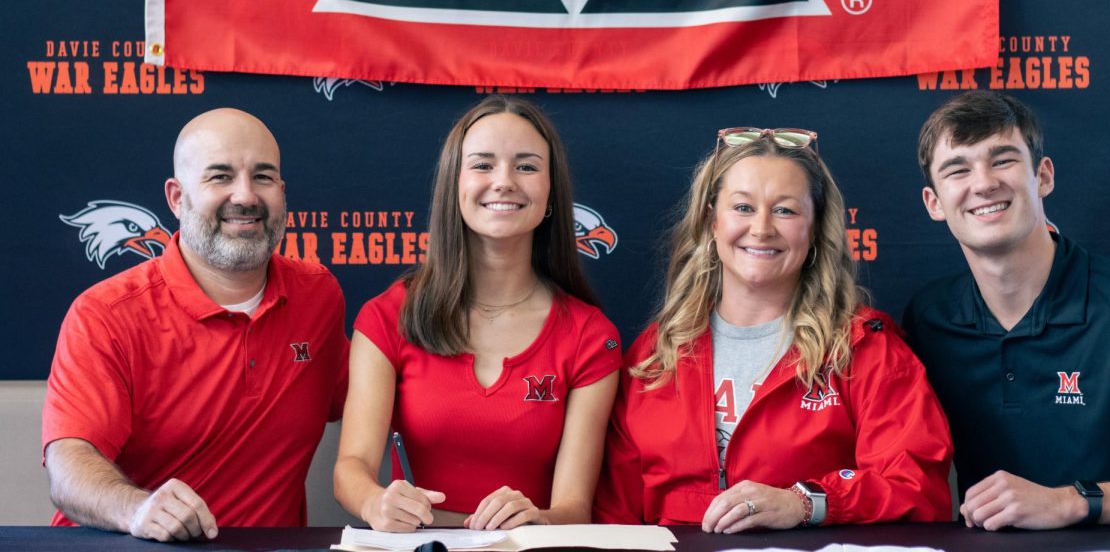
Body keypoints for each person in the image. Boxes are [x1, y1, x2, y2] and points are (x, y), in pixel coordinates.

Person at [595, 127, 952, 531]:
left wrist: (806, 502)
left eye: (785, 210)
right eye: (743, 208)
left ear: (814, 229)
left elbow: (916, 488)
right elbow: (613, 517)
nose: (762, 228)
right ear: (712, 222)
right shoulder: (652, 357)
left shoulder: (863, 348)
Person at [42, 108, 349, 542]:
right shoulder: (106, 314)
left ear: (282, 192)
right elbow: (69, 465)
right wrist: (137, 509)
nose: (245, 196)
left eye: (262, 177)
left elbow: (381, 401)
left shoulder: (317, 296)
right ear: (176, 197)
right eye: (220, 177)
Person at [904, 90, 1110, 530]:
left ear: (1043, 176)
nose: (983, 183)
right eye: (958, 169)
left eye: (1002, 160)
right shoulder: (928, 318)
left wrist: (1071, 502)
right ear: (934, 203)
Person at [334, 96, 620, 532]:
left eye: (526, 166)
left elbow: (572, 510)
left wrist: (538, 519)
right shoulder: (388, 316)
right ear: (454, 185)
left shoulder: (590, 335)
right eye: (483, 165)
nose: (503, 181)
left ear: (550, 196)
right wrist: (375, 503)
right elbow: (350, 469)